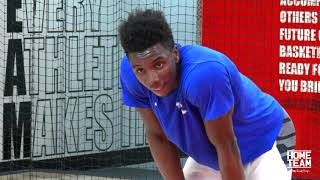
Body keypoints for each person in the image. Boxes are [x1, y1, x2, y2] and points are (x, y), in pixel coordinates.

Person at [118, 9, 296, 180]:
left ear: (174, 54)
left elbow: (226, 144)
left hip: (265, 139)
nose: (152, 80)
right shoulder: (131, 73)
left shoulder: (204, 75)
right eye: (141, 70)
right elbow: (157, 136)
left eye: (159, 65)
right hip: (214, 153)